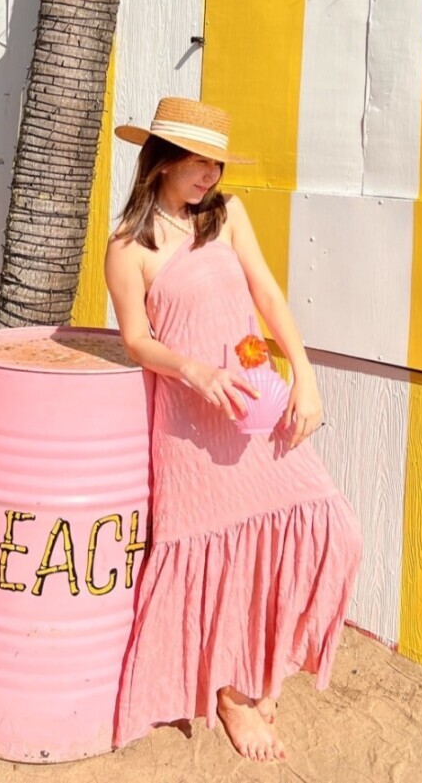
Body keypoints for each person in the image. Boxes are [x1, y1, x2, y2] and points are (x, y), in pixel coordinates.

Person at [104, 97, 362, 762]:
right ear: (161, 160)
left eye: (217, 162)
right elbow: (135, 340)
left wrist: (306, 374)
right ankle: (231, 690)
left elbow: (270, 296)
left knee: (332, 527)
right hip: (190, 423)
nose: (210, 174)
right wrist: (190, 369)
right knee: (215, 552)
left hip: (254, 405)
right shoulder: (129, 247)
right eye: (198, 161)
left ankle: (263, 664)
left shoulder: (229, 216)